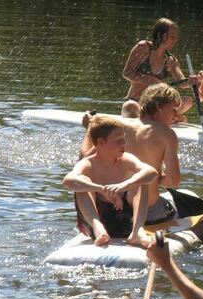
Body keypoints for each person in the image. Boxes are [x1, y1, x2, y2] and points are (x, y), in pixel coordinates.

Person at [80, 83, 182, 227]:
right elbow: (173, 181)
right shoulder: (167, 134)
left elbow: (84, 160)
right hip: (148, 213)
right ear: (159, 106)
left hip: (114, 210)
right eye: (173, 110)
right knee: (172, 207)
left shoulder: (118, 127)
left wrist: (89, 130)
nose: (176, 116)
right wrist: (155, 177)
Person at [63, 115, 158, 248]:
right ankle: (99, 229)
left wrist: (124, 185)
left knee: (141, 179)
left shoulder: (126, 160)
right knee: (81, 183)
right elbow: (67, 181)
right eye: (119, 141)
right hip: (98, 221)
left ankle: (137, 233)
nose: (124, 144)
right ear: (101, 143)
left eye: (124, 140)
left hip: (125, 219)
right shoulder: (88, 164)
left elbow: (151, 172)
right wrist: (101, 189)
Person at [121, 18, 193, 122]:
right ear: (161, 35)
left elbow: (182, 83)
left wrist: (193, 80)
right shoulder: (143, 48)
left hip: (156, 106)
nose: (175, 40)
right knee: (130, 107)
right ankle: (171, 118)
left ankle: (162, 117)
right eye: (172, 37)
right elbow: (127, 73)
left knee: (188, 101)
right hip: (135, 102)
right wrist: (150, 80)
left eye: (176, 37)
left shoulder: (170, 59)